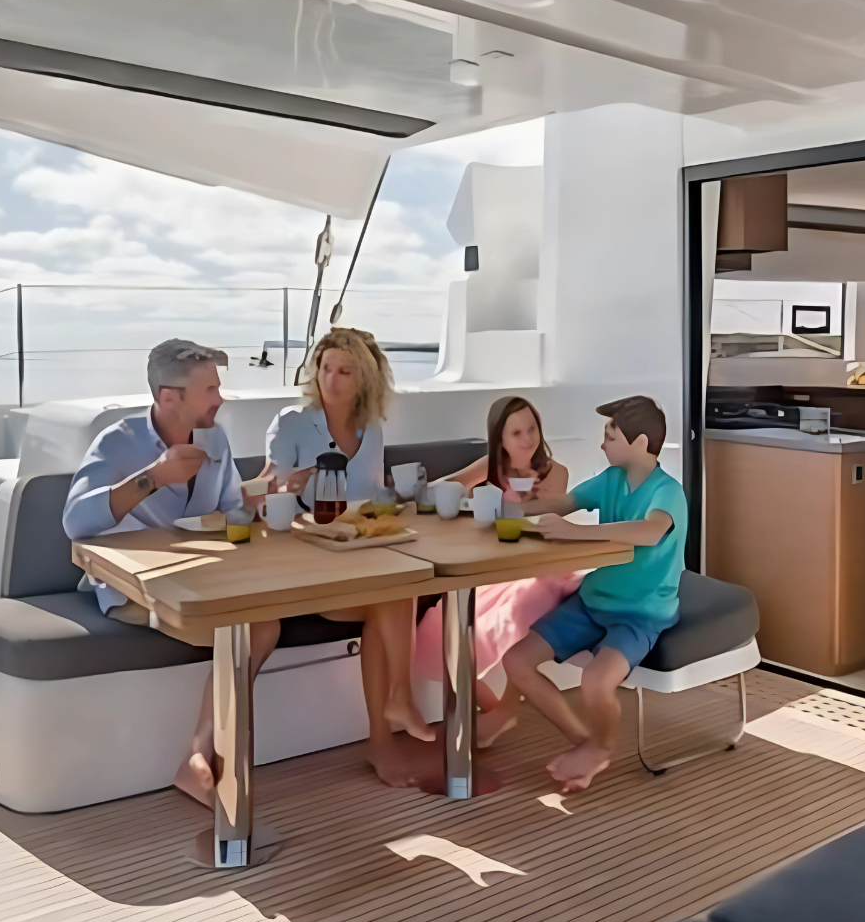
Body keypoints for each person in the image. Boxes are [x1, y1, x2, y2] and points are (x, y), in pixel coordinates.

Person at [62, 339, 279, 807]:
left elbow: (230, 512)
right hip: (132, 588)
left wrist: (261, 500)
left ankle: (200, 756)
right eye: (209, 390)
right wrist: (154, 477)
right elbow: (75, 522)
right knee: (251, 625)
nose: (220, 398)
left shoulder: (214, 439)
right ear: (169, 397)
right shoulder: (118, 442)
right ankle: (210, 766)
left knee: (263, 616)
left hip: (201, 578)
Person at [260, 327, 429, 787]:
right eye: (326, 368)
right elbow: (265, 491)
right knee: (394, 594)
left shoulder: (371, 428)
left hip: (358, 556)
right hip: (306, 561)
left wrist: (400, 497)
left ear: (364, 380)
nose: (330, 380)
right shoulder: (292, 422)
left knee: (395, 591)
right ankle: (395, 711)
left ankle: (386, 729)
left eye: (345, 372)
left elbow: (371, 499)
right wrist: (284, 485)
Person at [501, 395, 687, 792]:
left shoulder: (668, 492)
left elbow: (650, 530)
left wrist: (578, 532)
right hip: (592, 600)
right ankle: (586, 743)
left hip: (640, 613)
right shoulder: (610, 480)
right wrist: (509, 506)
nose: (602, 444)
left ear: (639, 443)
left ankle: (599, 747)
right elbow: (565, 502)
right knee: (516, 662)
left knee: (596, 683)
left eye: (610, 436)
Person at [411, 395, 576, 747]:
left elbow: (545, 521)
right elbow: (446, 486)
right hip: (498, 570)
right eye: (516, 432)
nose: (528, 439)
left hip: (543, 570)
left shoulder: (555, 473)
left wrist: (525, 500)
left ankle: (503, 712)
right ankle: (497, 710)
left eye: (532, 429)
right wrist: (451, 493)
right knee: (438, 631)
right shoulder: (492, 467)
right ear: (499, 439)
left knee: (523, 601)